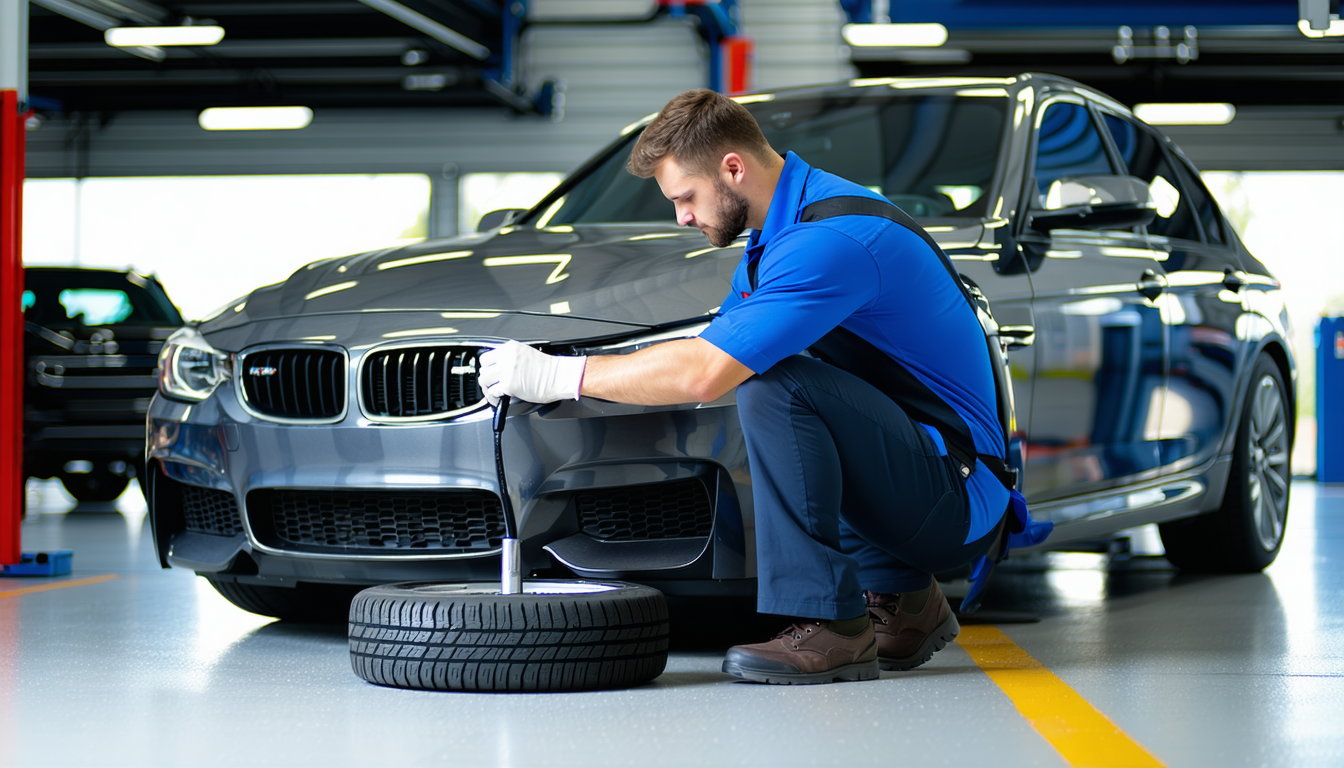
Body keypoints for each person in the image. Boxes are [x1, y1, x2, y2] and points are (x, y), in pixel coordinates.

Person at [479, 88, 1036, 685]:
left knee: (778, 387)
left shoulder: (832, 240)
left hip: (962, 496)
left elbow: (704, 371)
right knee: (786, 377)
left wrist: (556, 375)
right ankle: (903, 600)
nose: (682, 217)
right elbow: (712, 348)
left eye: (685, 197)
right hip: (934, 470)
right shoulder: (781, 235)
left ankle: (831, 623)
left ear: (732, 168)